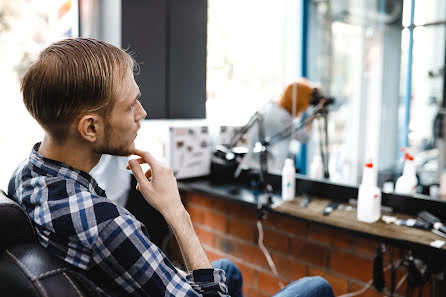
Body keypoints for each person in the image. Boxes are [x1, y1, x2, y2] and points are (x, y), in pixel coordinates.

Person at [9, 38, 334, 297]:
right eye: (130, 105)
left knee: (227, 270)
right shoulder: (108, 226)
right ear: (90, 128)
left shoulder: (25, 175)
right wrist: (175, 211)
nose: (143, 112)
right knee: (315, 287)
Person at [240, 79, 324, 174]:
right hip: (270, 170)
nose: (308, 104)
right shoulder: (283, 118)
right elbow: (304, 137)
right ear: (300, 100)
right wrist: (314, 115)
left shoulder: (270, 107)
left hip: (250, 165)